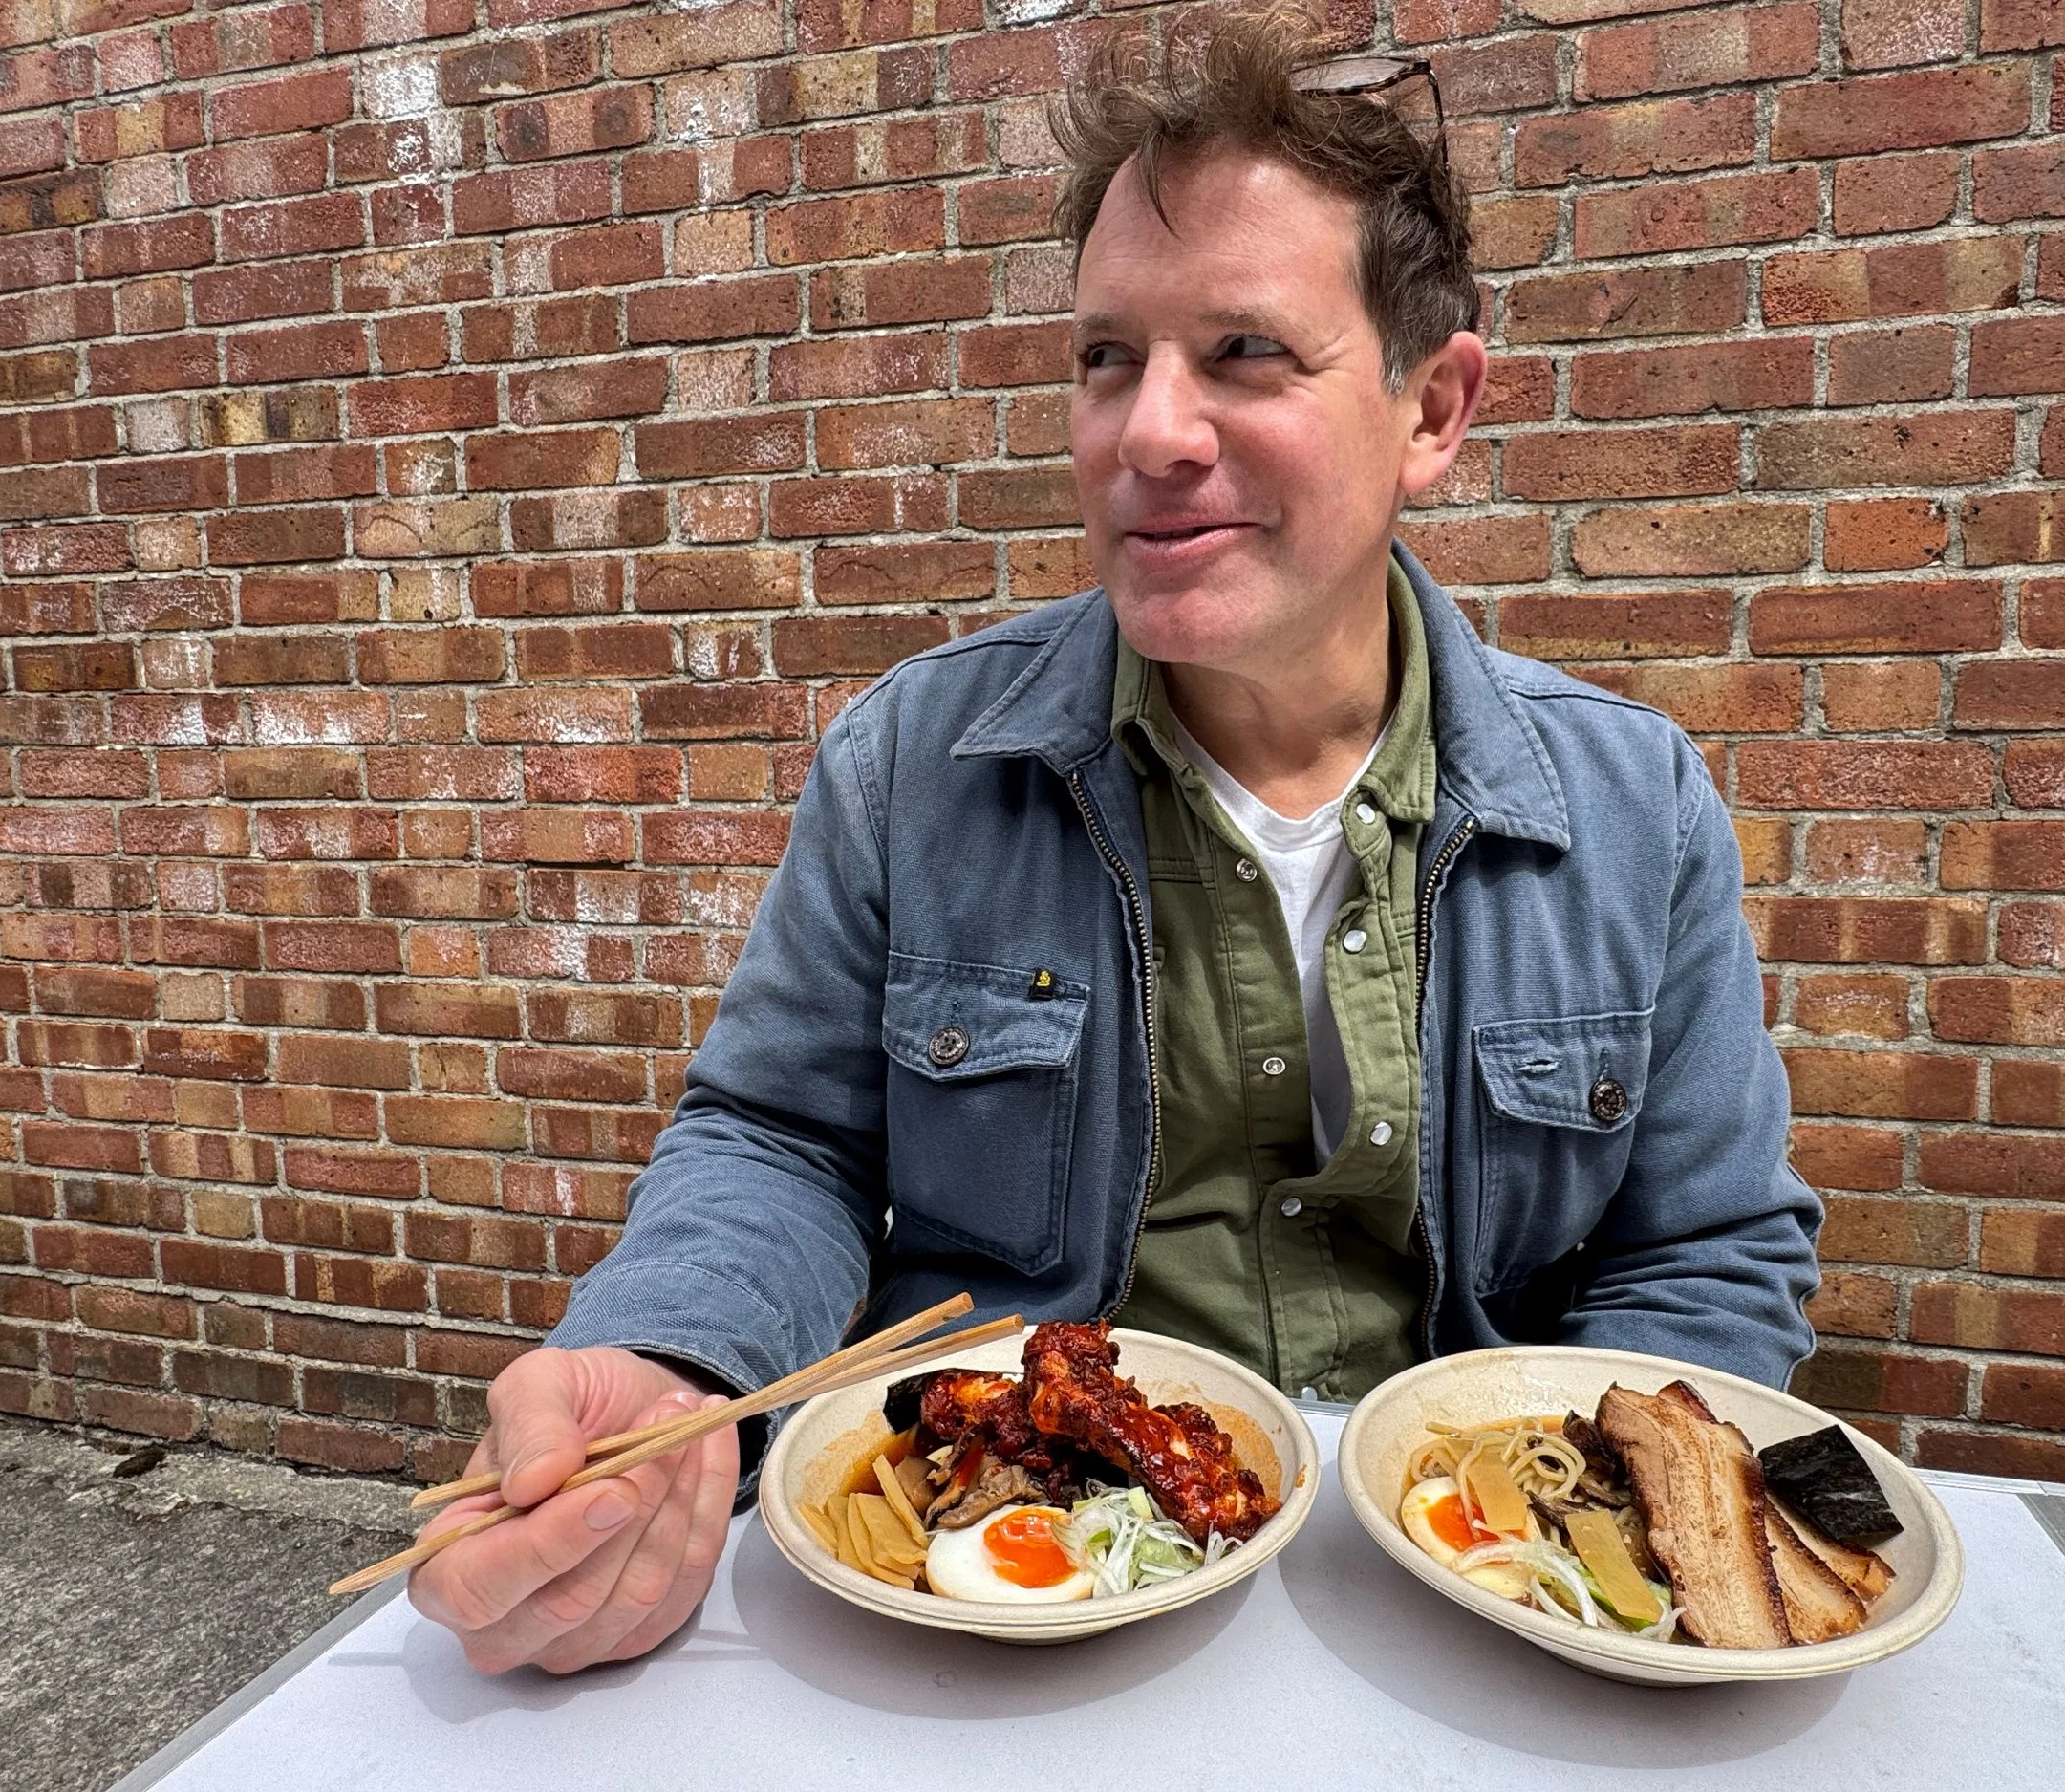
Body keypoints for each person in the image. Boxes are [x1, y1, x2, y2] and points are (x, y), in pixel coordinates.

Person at [409, 6, 1822, 1674]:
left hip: (1466, 1615)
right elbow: (782, 1142)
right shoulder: (913, 763)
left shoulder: (1629, 806)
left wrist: (1628, 1548)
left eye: (1243, 353)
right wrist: (674, 1370)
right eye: (1106, 356)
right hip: (1000, 1613)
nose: (1148, 432)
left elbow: (1707, 1248)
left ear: (1432, 408)